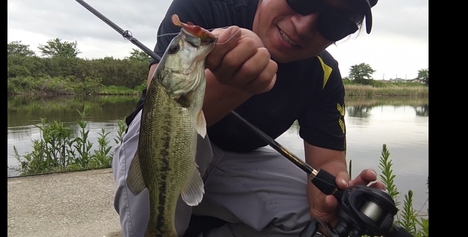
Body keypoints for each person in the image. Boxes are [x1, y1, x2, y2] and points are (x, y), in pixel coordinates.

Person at [112, 0, 385, 236]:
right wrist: (234, 84)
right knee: (151, 133)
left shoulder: (324, 76)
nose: (303, 26)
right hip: (161, 151)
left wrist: (336, 195)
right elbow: (160, 99)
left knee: (307, 216)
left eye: (334, 23)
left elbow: (327, 161)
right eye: (304, 0)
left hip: (236, 164)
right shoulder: (207, 6)